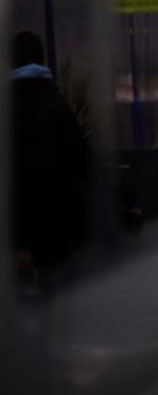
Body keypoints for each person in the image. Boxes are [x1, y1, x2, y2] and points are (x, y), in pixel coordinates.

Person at [10, 31, 90, 290]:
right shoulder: (56, 105)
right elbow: (84, 160)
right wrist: (126, 201)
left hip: (16, 224)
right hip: (57, 223)